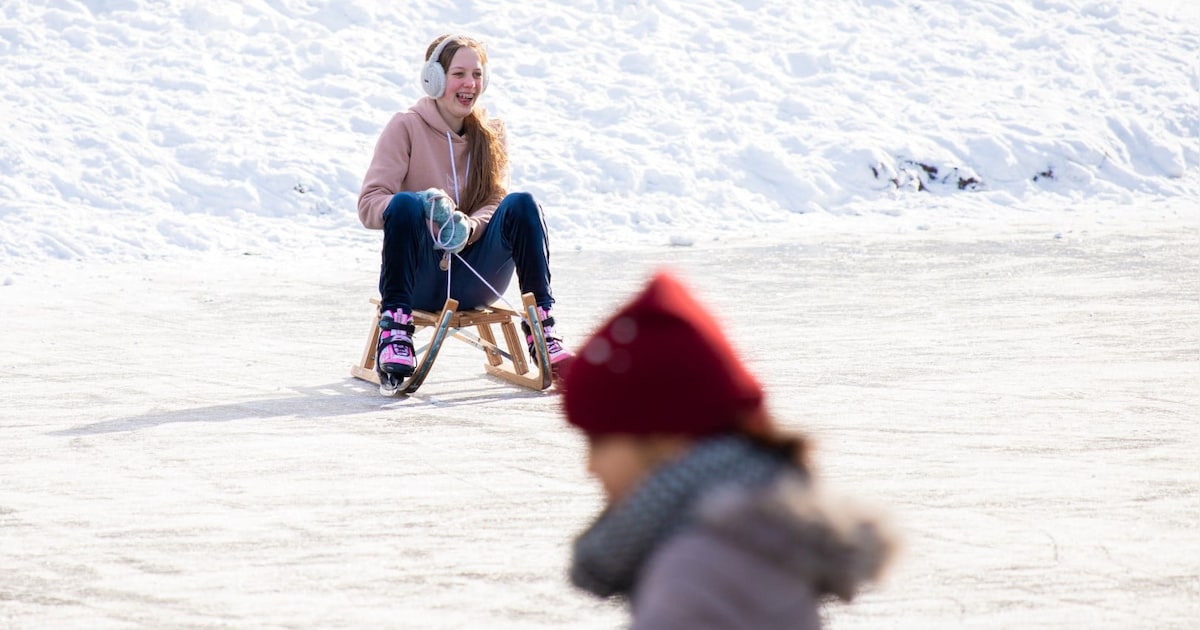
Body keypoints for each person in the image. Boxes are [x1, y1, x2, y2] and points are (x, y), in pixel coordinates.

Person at [562, 271, 897, 629]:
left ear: (666, 438)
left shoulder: (698, 574)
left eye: (597, 441)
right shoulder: (747, 534)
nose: (591, 467)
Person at [358, 33, 571, 380]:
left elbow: (495, 201)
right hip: (421, 282)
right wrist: (424, 206)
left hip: (478, 278)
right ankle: (395, 330)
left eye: (476, 74)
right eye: (459, 74)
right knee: (405, 202)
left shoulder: (489, 132)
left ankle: (542, 329)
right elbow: (370, 203)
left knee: (522, 203)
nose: (469, 83)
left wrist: (470, 226)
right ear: (435, 79)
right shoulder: (405, 127)